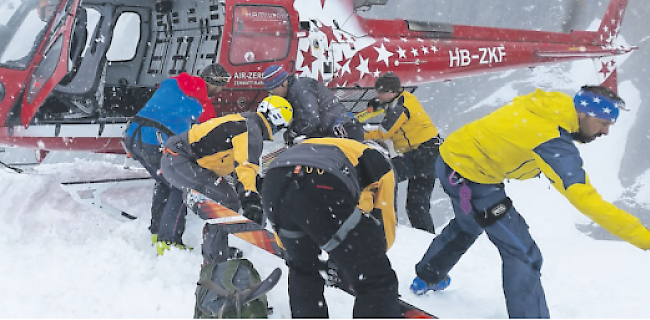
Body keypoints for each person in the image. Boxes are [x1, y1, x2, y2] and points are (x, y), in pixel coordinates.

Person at [410, 85, 650, 318]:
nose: (606, 131)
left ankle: (427, 276)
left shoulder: (552, 105)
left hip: (451, 160)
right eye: (604, 123)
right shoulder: (551, 140)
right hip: (473, 181)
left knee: (469, 223)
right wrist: (644, 238)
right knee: (523, 253)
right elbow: (587, 200)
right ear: (585, 114)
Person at [262, 137, 399, 318]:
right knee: (377, 280)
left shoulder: (337, 148)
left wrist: (295, 250)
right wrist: (363, 263)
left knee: (303, 269)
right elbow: (384, 222)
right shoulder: (381, 164)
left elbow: (341, 212)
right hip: (321, 181)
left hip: (274, 182)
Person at [160, 95, 293, 264]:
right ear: (277, 121)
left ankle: (216, 246)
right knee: (226, 203)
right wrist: (250, 200)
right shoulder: (250, 130)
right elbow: (246, 166)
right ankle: (214, 256)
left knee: (227, 201)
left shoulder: (245, 123)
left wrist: (256, 187)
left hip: (179, 160)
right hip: (180, 161)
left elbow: (236, 164)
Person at [122, 63, 230, 254]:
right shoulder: (204, 104)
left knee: (165, 182)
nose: (220, 91)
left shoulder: (172, 82)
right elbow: (212, 137)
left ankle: (157, 232)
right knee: (182, 186)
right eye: (220, 86)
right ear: (213, 83)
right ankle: (169, 240)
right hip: (154, 142)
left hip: (134, 135)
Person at [364, 72, 443, 234]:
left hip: (422, 154)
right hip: (429, 154)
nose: (377, 95)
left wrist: (358, 132)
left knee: (383, 176)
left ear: (391, 92)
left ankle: (386, 224)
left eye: (380, 92)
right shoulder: (401, 99)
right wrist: (381, 105)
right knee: (417, 204)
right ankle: (426, 237)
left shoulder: (400, 107)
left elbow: (383, 132)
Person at [263, 65, 364, 143]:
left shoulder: (298, 90)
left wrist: (292, 133)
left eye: (272, 91)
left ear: (281, 84)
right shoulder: (296, 88)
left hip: (342, 132)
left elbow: (311, 121)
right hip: (343, 130)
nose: (273, 95)